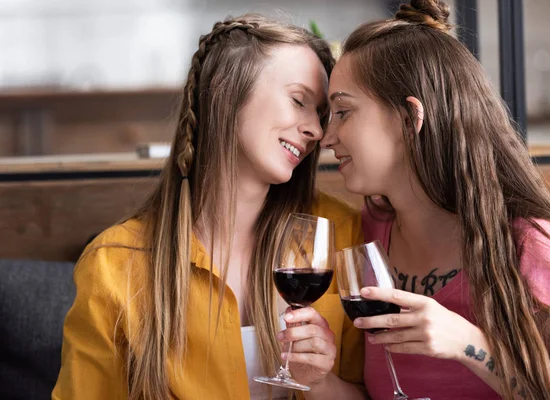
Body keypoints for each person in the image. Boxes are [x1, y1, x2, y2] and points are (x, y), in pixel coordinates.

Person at [52, 14, 366, 400]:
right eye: (298, 100)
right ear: (225, 92)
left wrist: (320, 382)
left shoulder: (339, 233)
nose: (316, 131)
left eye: (319, 115)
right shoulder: (113, 265)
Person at [321, 1, 550, 399]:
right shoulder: (370, 233)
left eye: (343, 112)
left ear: (409, 117)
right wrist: (318, 381)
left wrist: (470, 345)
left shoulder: (529, 246)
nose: (328, 137)